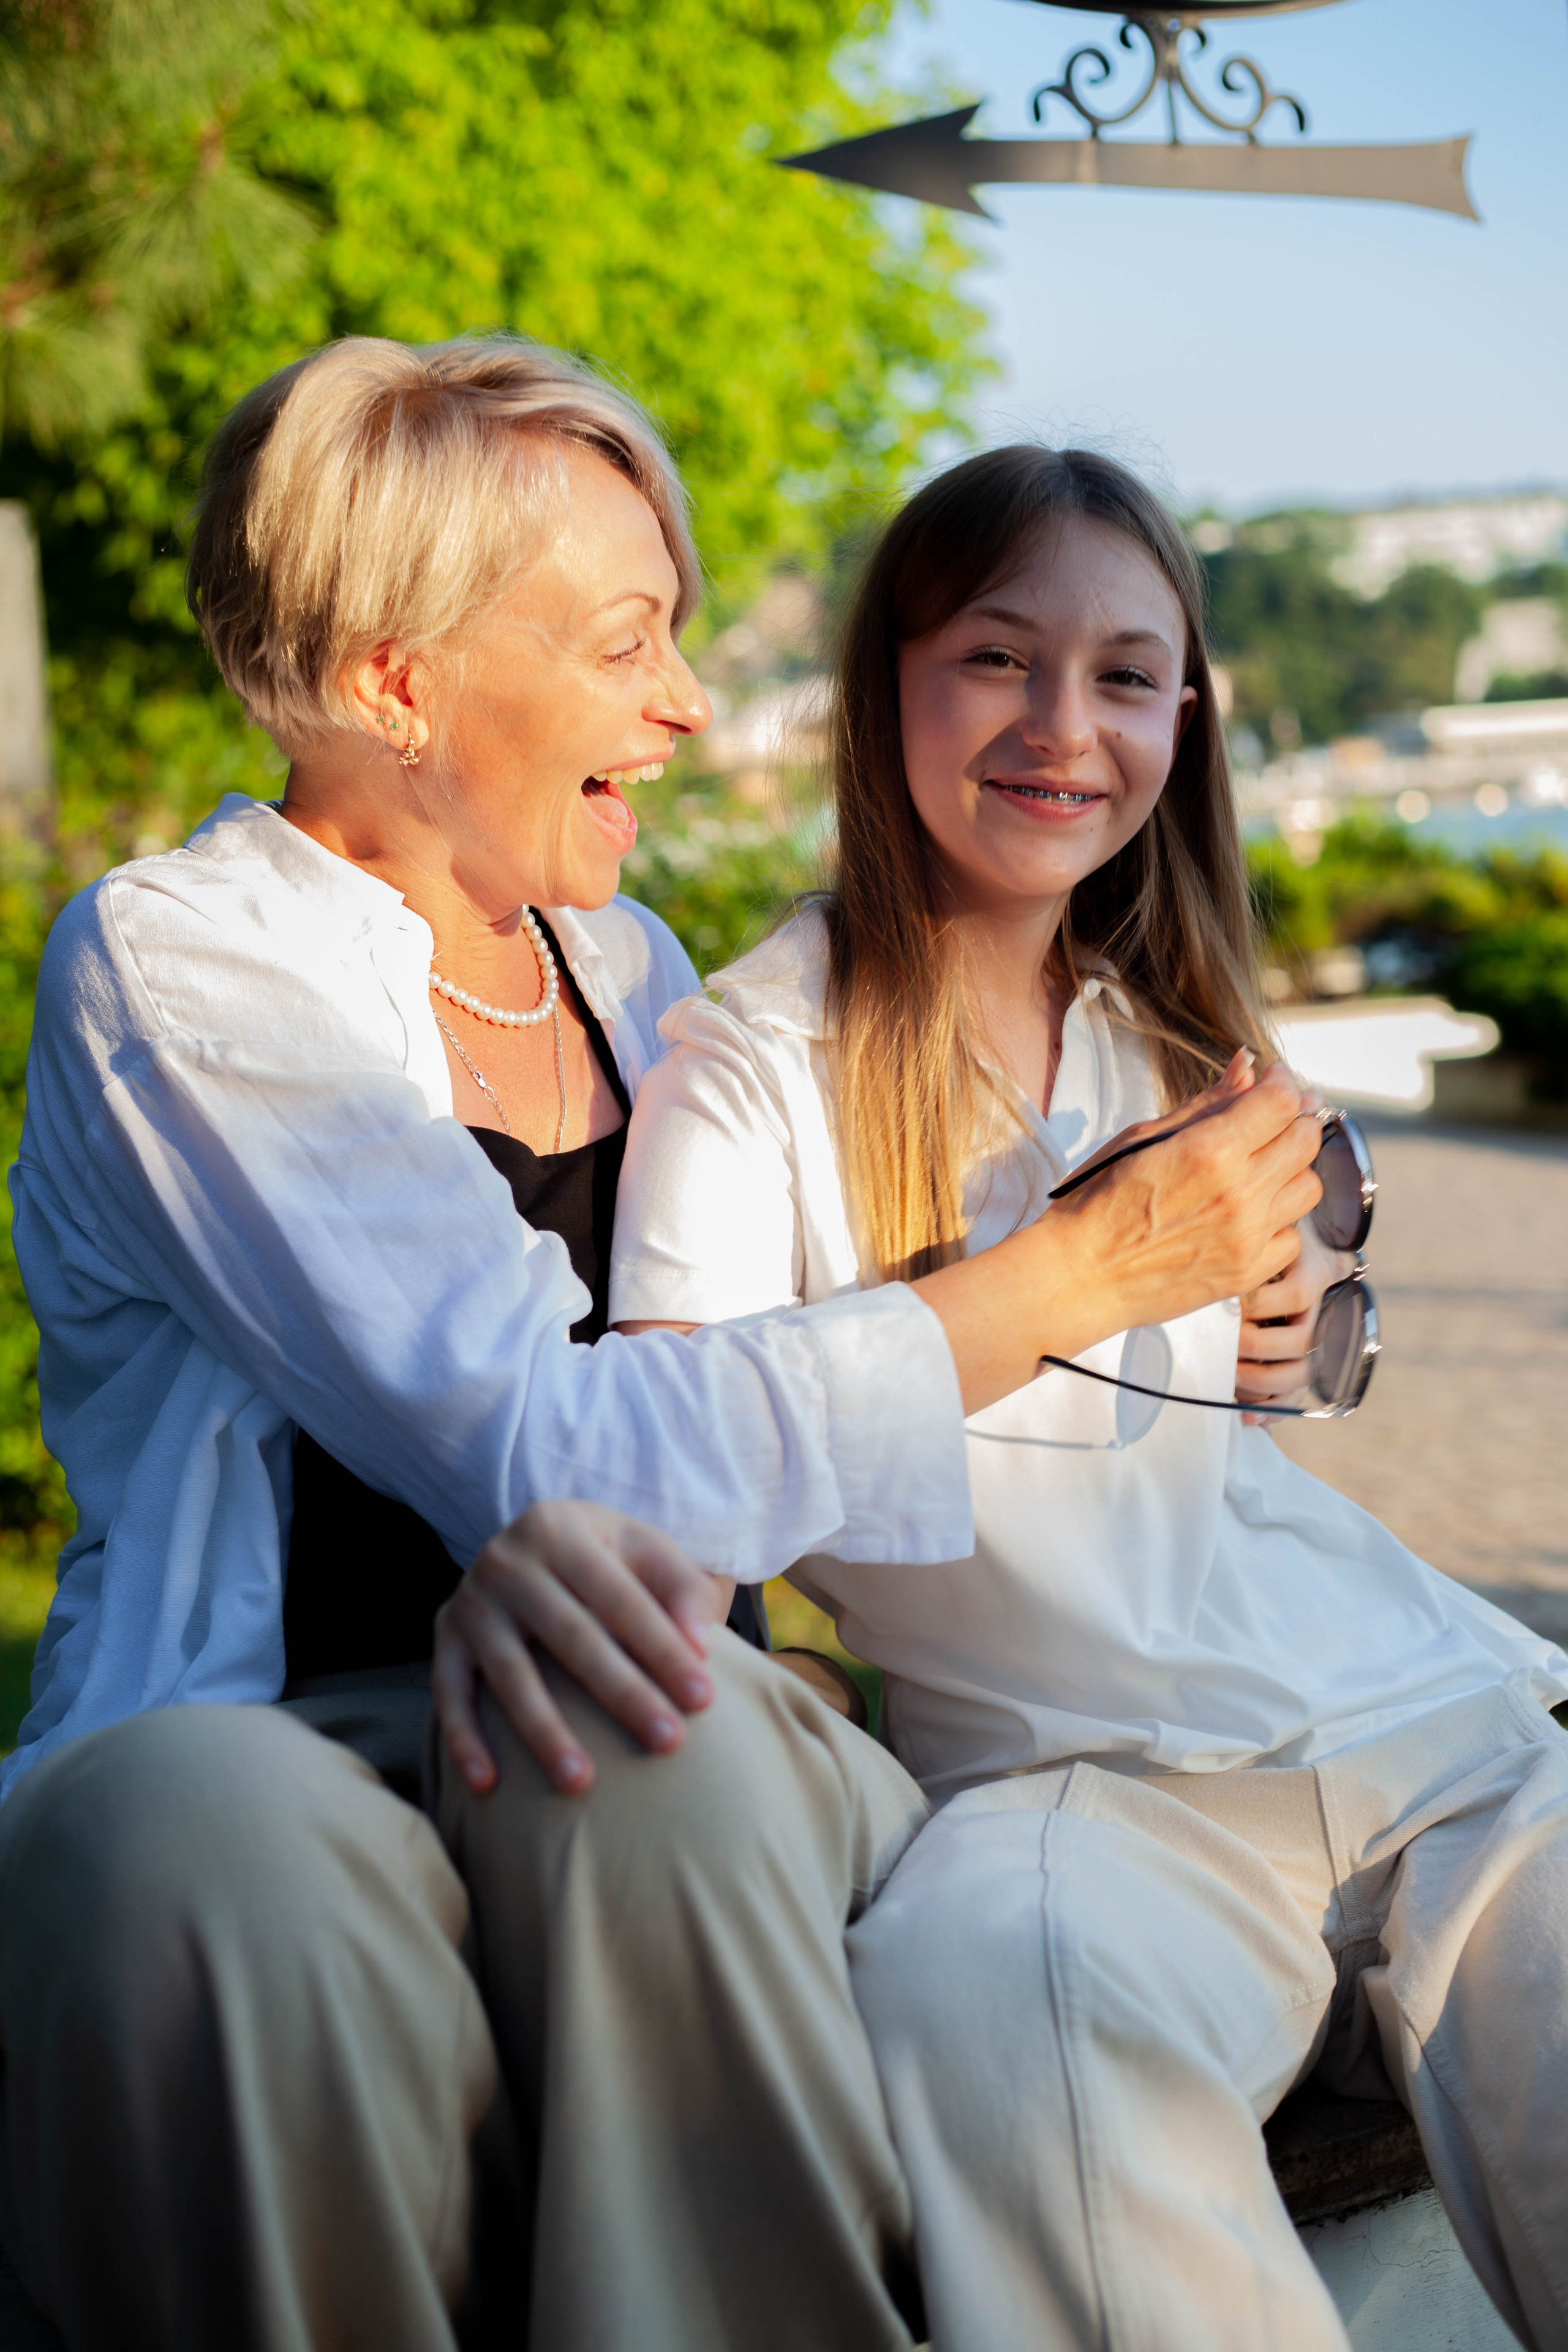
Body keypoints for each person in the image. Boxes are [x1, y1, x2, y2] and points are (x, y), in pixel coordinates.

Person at [0, 349, 1324, 2352]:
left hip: (661, 1721)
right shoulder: (177, 962)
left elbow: (820, 1389)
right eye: (629, 643)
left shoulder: (631, 968)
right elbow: (551, 1446)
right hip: (276, 1731)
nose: (690, 703)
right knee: (195, 1845)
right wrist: (1078, 1273)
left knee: (645, 1727)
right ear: (394, 683)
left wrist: (1227, 1301)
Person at [609, 443, 1568, 2352]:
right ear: (883, 684)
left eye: (1127, 676)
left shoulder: (1173, 1028)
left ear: (1183, 720)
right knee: (992, 2008)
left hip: (1430, 1724)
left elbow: (1242, 1420)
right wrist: (1080, 1276)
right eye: (998, 657)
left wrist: (1294, 1315)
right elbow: (662, 1458)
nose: (1066, 726)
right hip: (1082, 1788)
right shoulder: (752, 1059)